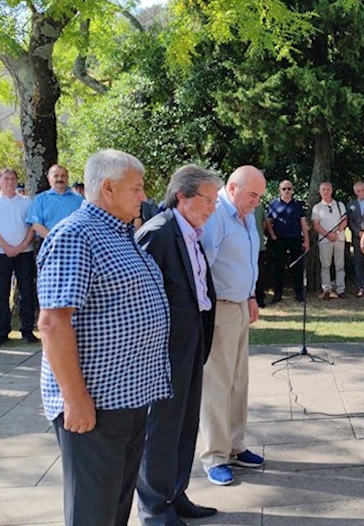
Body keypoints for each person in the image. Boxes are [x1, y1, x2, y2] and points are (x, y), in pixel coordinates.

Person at [37, 149, 172, 525]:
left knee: (114, 509)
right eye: (137, 188)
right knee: (92, 513)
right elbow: (53, 323)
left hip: (127, 398)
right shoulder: (76, 234)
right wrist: (75, 399)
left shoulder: (121, 233)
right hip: (94, 405)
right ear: (109, 188)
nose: (144, 196)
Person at [135, 165, 221, 524]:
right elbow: (140, 302)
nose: (213, 207)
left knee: (186, 423)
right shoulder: (158, 233)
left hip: (192, 341)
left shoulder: (191, 232)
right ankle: (155, 508)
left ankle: (175, 493)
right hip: (165, 349)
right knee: (162, 429)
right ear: (182, 197)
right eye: (208, 200)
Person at [199, 165, 266, 486]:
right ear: (232, 187)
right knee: (217, 385)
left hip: (240, 305)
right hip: (219, 309)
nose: (256, 201)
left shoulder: (246, 214)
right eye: (253, 194)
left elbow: (247, 260)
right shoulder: (217, 216)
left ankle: (236, 446)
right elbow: (203, 266)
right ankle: (215, 455)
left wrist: (251, 295)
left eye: (259, 196)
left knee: (240, 382)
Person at [0, 169, 37, 345]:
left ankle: (27, 330)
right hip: (0, 252)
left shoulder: (27, 202)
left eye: (13, 178)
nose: (10, 182)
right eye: (6, 178)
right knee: (1, 293)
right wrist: (6, 247)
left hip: (24, 253)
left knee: (27, 292)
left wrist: (21, 246)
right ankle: (3, 331)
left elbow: (32, 227)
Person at [267, 180, 309, 303]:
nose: (287, 191)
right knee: (278, 267)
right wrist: (273, 235)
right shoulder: (273, 204)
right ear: (280, 190)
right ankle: (277, 295)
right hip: (279, 240)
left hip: (295, 239)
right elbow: (268, 222)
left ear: (292, 190)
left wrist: (306, 240)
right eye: (284, 189)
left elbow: (303, 223)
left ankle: (299, 294)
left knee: (297, 267)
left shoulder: (298, 205)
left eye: (289, 189)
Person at [26, 164, 84, 239]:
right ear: (49, 178)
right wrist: (55, 239)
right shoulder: (40, 199)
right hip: (49, 243)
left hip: (75, 242)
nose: (60, 179)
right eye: (56, 176)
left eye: (63, 176)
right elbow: (36, 224)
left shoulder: (79, 199)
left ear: (67, 178)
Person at [312, 181, 347, 300]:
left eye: (328, 189)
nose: (326, 192)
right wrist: (328, 235)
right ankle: (326, 289)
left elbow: (344, 221)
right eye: (323, 190)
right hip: (324, 240)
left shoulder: (340, 205)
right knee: (325, 265)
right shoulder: (317, 207)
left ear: (331, 191)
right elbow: (316, 225)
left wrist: (336, 233)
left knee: (340, 265)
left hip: (339, 238)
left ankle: (341, 289)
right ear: (320, 192)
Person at [347, 181, 364, 297]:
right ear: (355, 192)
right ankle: (362, 287)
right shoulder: (351, 205)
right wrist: (359, 233)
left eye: (362, 190)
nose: (360, 192)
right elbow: (350, 222)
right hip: (357, 237)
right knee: (359, 262)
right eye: (358, 191)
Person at [253, 204, 269, 307]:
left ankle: (260, 299)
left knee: (259, 273)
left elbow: (264, 223)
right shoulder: (238, 206)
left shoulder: (259, 207)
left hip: (259, 247)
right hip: (244, 248)